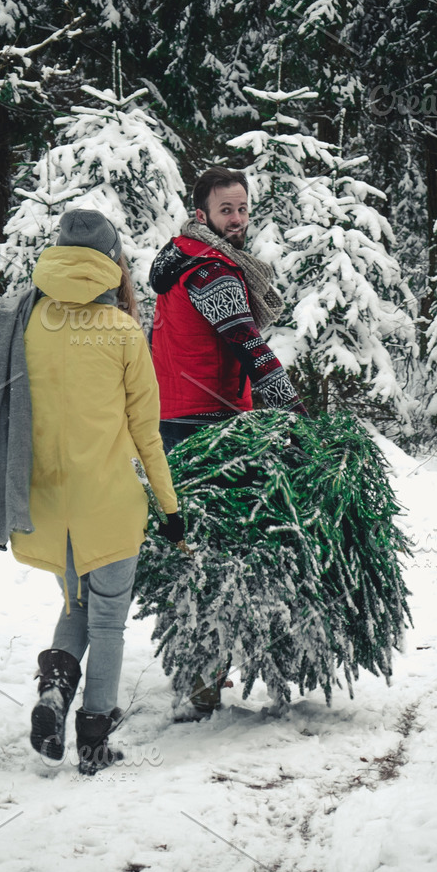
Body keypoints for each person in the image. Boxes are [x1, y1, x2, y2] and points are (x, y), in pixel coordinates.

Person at [10, 208, 185, 774]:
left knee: (75, 603)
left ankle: (54, 690)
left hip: (47, 500)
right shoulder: (123, 331)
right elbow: (146, 434)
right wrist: (170, 505)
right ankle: (94, 738)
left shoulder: (29, 323)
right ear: (111, 261)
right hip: (109, 503)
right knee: (107, 616)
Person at [149, 166, 304, 715]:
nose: (236, 220)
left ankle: (196, 667)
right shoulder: (211, 272)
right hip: (208, 424)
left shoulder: (180, 261)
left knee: (189, 541)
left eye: (241, 209)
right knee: (215, 549)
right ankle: (201, 673)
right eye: (225, 211)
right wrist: (291, 408)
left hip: (176, 418)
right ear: (202, 214)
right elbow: (246, 344)